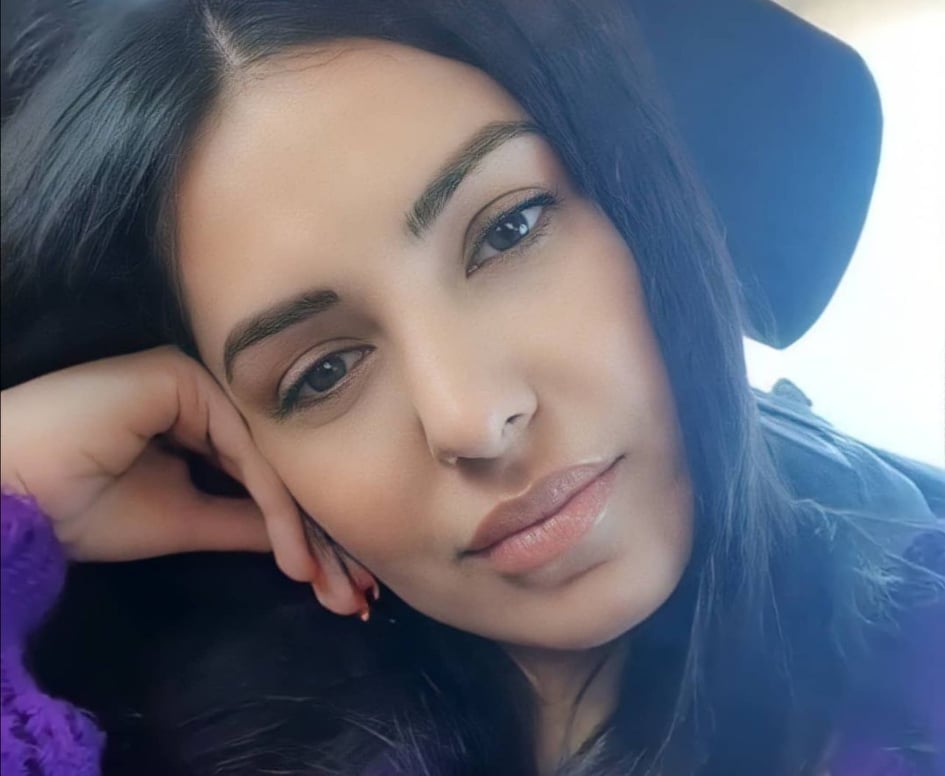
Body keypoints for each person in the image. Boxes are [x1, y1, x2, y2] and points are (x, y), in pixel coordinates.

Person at [0, 1, 942, 774]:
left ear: (638, 196)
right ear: (239, 448)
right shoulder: (152, 729)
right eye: (323, 373)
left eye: (508, 230)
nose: (472, 418)